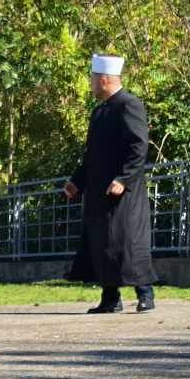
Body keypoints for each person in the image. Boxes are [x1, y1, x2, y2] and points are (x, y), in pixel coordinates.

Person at [62, 53, 157, 314]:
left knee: (129, 241)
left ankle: (145, 294)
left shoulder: (129, 105)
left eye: (92, 79)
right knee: (102, 243)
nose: (90, 84)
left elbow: (139, 146)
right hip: (98, 192)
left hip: (124, 192)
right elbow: (92, 155)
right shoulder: (99, 112)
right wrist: (76, 181)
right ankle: (110, 298)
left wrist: (123, 179)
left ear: (103, 79)